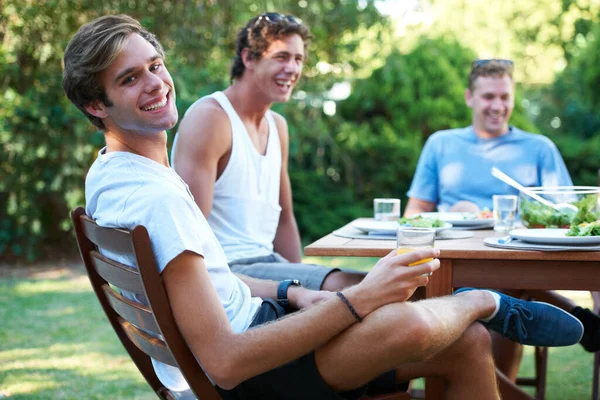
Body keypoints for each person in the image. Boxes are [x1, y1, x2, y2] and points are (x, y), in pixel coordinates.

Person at [63, 15, 585, 400]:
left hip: (259, 323)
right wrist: (352, 305)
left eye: (154, 66)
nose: (156, 83)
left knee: (463, 342)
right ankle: (483, 300)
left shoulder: (111, 174)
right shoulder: (157, 196)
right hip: (252, 372)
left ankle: (474, 305)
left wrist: (294, 291)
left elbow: (216, 281)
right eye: (130, 79)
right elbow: (225, 362)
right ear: (95, 104)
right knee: (412, 320)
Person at [404, 59, 600, 378]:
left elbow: (574, 222)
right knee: (513, 294)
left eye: (505, 97)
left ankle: (499, 388)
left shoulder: (539, 148)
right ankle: (574, 319)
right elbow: (412, 216)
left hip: (517, 260)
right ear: (469, 97)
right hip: (452, 261)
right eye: (488, 97)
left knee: (512, 288)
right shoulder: (441, 144)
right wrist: (449, 213)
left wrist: (597, 293)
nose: (498, 106)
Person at [171, 13, 364, 291]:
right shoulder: (212, 119)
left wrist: (300, 280)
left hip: (269, 264)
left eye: (298, 59)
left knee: (388, 283)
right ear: (249, 58)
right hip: (229, 270)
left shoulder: (277, 126)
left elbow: (284, 218)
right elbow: (189, 229)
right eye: (281, 57)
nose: (292, 69)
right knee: (365, 285)